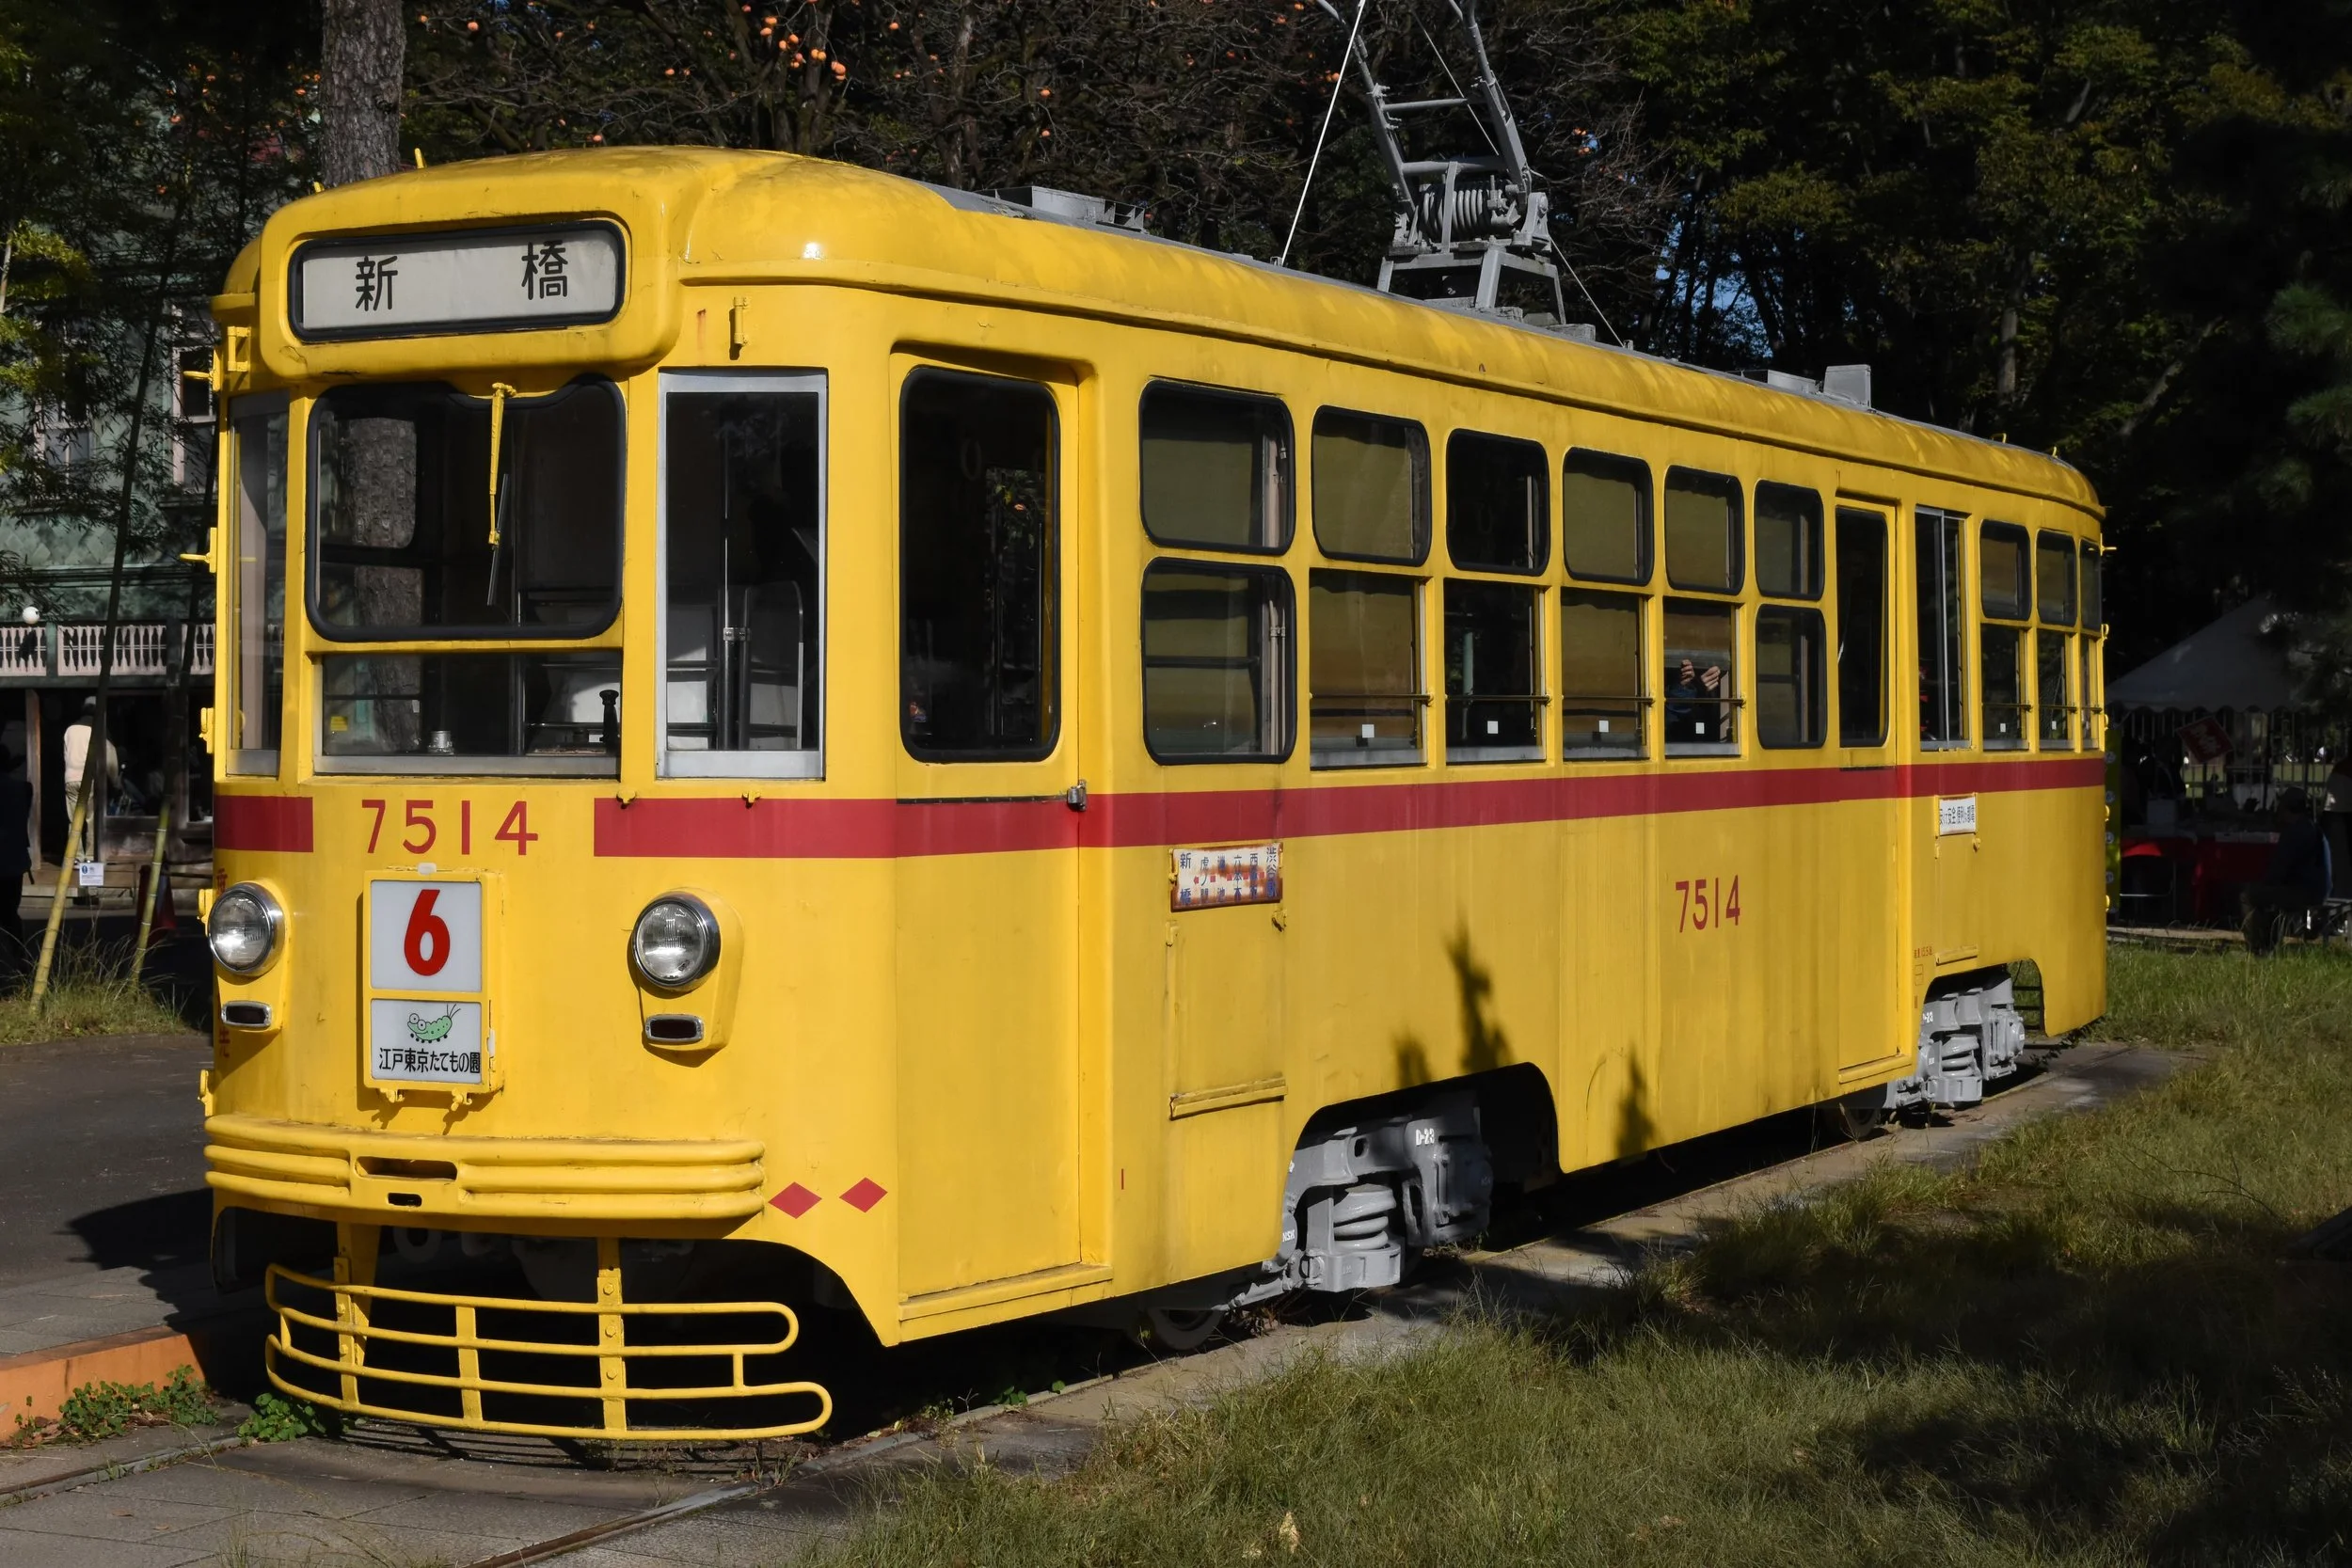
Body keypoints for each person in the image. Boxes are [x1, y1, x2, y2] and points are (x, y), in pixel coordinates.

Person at [2242, 786, 2331, 955]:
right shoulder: (2310, 827)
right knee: (2268, 894)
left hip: (2305, 892)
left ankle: (2258, 946)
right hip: (2319, 888)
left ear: (2284, 808)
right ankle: (2268, 941)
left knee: (2250, 895)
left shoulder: (2294, 833)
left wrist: (2262, 884)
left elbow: (2278, 871)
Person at [59, 695, 118, 866]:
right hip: (90, 779)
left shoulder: (70, 729)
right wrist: (116, 782)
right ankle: (92, 857)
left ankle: (76, 857)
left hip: (70, 778)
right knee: (91, 820)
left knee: (74, 821)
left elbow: (65, 755)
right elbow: (110, 759)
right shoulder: (99, 728)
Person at [0, 748, 31, 987]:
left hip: (9, 859)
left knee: (8, 914)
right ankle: (20, 958)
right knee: (10, 913)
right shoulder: (23, 789)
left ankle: (15, 960)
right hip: (15, 860)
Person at [2323, 756, 2352, 897]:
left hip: (2337, 816)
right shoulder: (2345, 769)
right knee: (2341, 867)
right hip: (2339, 817)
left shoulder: (2343, 768)